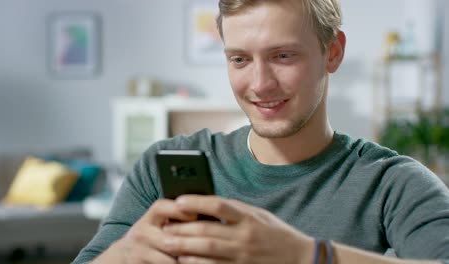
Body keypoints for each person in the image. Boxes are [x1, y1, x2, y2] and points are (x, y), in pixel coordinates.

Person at [73, 0, 449, 263]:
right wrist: (124, 255)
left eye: (282, 56)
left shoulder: (390, 182)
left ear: (332, 51)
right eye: (239, 59)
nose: (260, 84)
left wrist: (307, 256)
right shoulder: (164, 164)